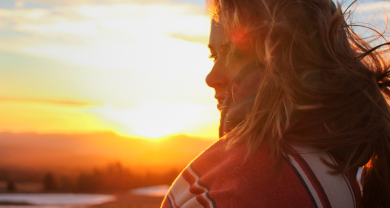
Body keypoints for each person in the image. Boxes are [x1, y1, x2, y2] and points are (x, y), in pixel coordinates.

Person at [161, 0, 390, 207]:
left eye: (234, 53)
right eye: (214, 56)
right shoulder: (333, 169)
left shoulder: (250, 184)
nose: (211, 78)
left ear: (288, 59)